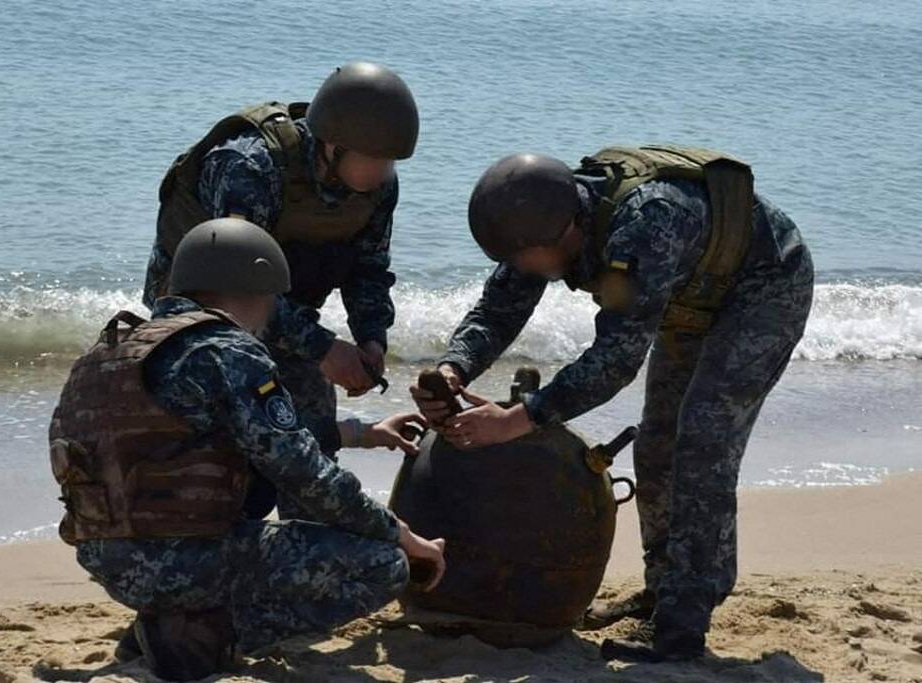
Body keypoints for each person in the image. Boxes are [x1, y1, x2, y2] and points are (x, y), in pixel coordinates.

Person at [410, 147, 813, 662]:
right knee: (656, 442)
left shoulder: (647, 223)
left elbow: (615, 361)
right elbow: (498, 309)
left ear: (565, 233)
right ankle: (660, 593)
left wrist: (519, 419)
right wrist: (454, 369)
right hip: (690, 293)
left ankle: (680, 629)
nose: (519, 269)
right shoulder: (539, 221)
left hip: (765, 288)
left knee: (703, 441)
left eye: (523, 259)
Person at [51, 218, 444, 681]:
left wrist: (360, 432)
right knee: (382, 566)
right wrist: (400, 534)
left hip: (106, 558)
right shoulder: (229, 349)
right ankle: (204, 637)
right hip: (179, 560)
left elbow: (201, 439)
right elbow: (304, 472)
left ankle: (165, 625)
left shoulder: (111, 351)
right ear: (258, 286)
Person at [145, 62, 419, 504]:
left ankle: (308, 549)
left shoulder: (379, 186)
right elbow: (230, 288)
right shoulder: (248, 167)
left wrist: (371, 341)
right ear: (334, 144)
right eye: (375, 159)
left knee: (311, 451)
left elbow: (368, 268)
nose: (383, 172)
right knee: (223, 451)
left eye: (390, 161)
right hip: (199, 319)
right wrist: (323, 348)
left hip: (283, 305)